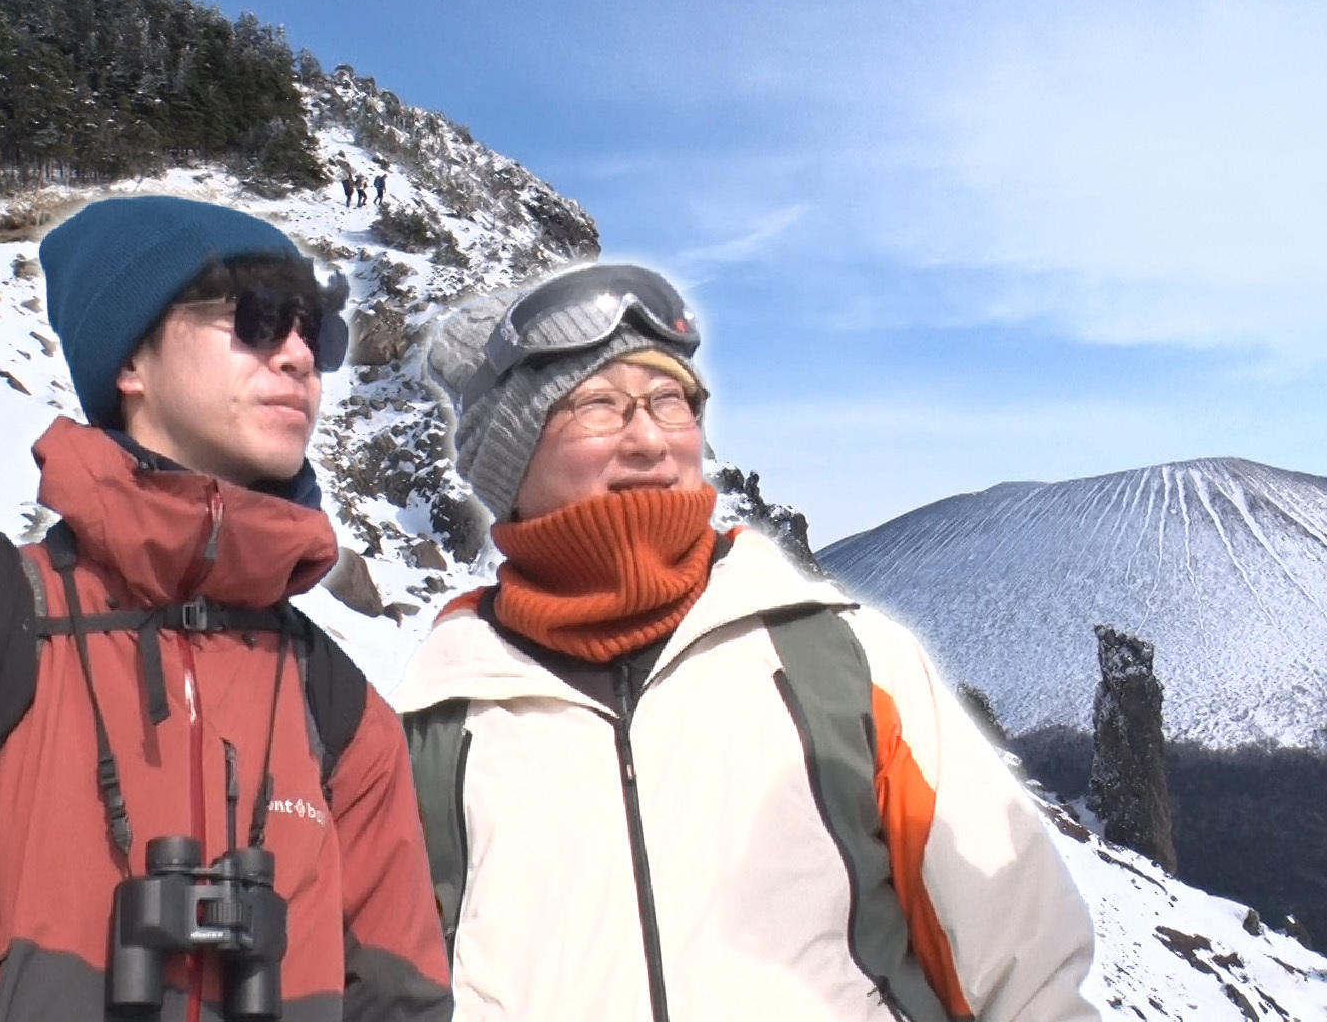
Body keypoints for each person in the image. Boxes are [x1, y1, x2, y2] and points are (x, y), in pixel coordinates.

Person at [396, 263, 1098, 1021]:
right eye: (598, 404)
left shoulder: (846, 666)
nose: (649, 440)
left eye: (671, 401)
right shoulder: (434, 727)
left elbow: (1025, 976)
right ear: (512, 460)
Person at [0, 195, 452, 1021]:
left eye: (315, 331)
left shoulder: (341, 713)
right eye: (258, 318)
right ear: (131, 361)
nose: (299, 356)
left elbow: (402, 1002)